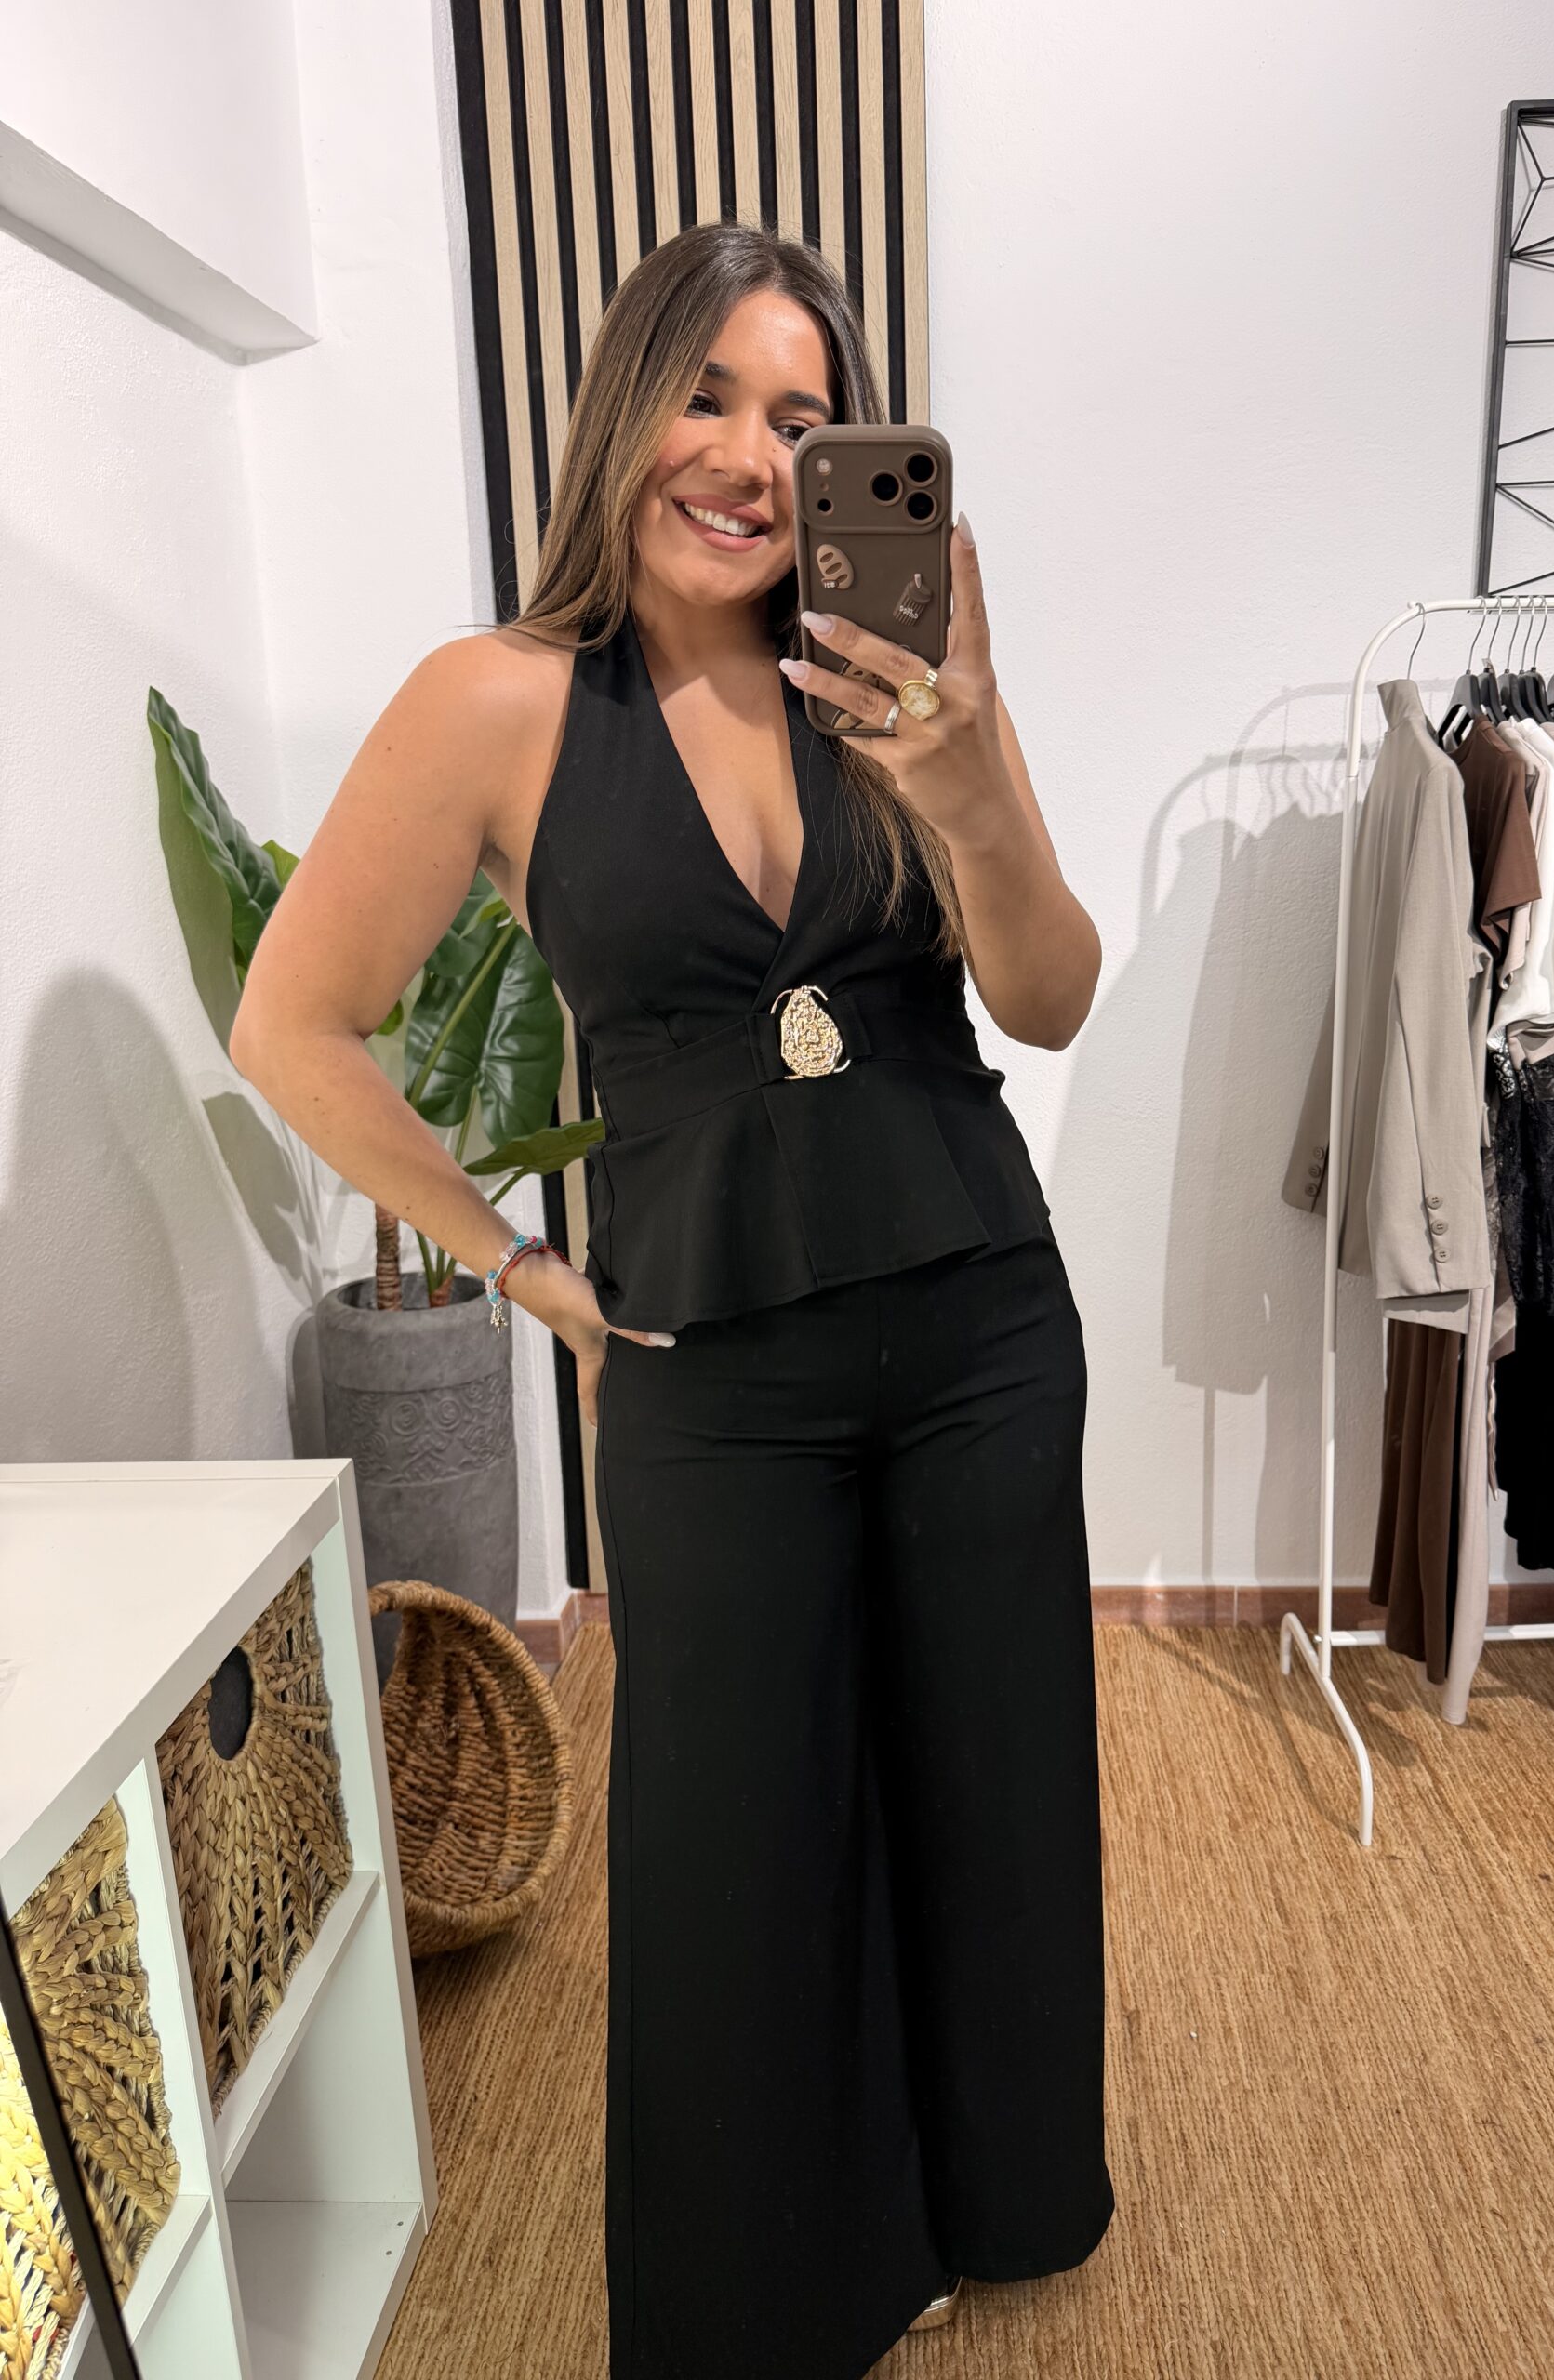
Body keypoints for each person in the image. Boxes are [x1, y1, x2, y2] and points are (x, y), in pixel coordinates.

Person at [232, 218, 1114, 2380]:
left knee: (990, 1785)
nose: (747, 454)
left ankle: (985, 2194)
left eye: (803, 419)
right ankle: (772, 2284)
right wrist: (522, 1267)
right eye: (707, 395)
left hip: (983, 1322)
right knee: (733, 1838)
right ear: (624, 407)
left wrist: (973, 779)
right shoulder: (499, 702)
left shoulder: (898, 681)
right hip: (707, 1368)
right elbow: (294, 1024)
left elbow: (1050, 994)